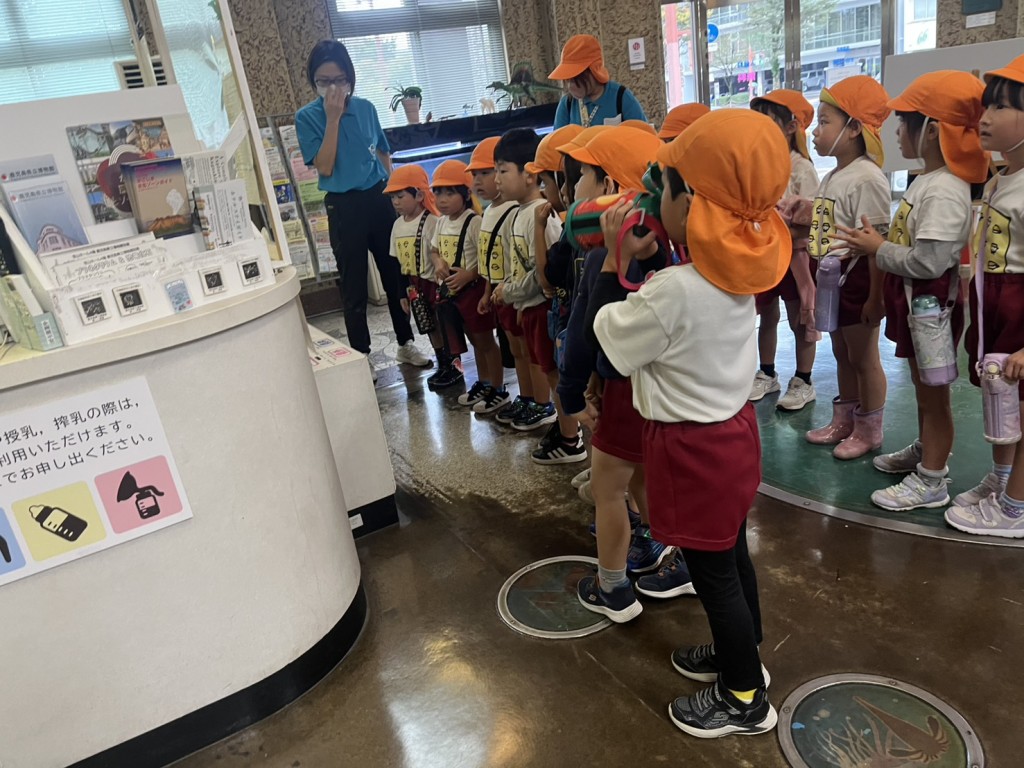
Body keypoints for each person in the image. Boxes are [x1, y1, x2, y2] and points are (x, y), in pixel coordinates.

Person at [588, 110, 789, 738]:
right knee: (732, 556)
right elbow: (684, 292)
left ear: (692, 205)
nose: (655, 198)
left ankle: (744, 697)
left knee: (713, 575)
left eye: (666, 188)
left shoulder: (672, 291)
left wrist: (612, 261)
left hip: (691, 450)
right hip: (734, 437)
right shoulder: (736, 273)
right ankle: (743, 653)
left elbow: (609, 341)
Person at [835, 71, 987, 512]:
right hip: (916, 306)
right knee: (924, 388)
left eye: (904, 122)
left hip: (931, 310)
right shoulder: (927, 180)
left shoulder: (945, 190)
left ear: (933, 130)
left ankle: (932, 480)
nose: (897, 131)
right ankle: (927, 450)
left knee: (933, 395)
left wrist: (877, 249)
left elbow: (929, 262)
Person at [559, 126, 683, 614]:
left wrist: (571, 394)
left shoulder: (604, 259)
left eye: (581, 176)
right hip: (659, 392)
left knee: (607, 489)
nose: (573, 188)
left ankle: (612, 588)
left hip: (622, 394)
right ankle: (679, 556)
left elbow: (584, 334)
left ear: (610, 189)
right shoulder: (667, 249)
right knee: (643, 478)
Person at [295, 40, 429, 371]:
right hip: (343, 205)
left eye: (339, 79)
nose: (333, 88)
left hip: (378, 197)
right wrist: (333, 119)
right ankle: (362, 355)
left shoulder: (366, 108)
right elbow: (325, 166)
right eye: (324, 81)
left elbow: (383, 152)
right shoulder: (307, 117)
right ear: (314, 82)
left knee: (395, 274)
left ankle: (405, 343)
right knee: (353, 284)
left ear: (350, 78)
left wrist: (395, 194)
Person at [945, 54, 1024, 538]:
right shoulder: (1003, 177)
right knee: (1002, 396)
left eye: (1000, 107)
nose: (985, 117)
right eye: (986, 106)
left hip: (1019, 306)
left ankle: (1016, 508)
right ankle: (1002, 477)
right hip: (995, 300)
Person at [804, 76, 892, 459]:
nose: (815, 131)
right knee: (841, 351)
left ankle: (869, 429)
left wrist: (875, 297)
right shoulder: (833, 175)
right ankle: (845, 419)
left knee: (863, 356)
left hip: (855, 276)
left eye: (825, 122)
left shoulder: (868, 178)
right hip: (830, 276)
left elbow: (876, 244)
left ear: (854, 128)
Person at [493, 129, 585, 464]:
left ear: (529, 175)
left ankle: (571, 438)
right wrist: (519, 301)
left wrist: (511, 292)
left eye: (503, 170)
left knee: (557, 375)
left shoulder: (544, 217)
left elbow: (543, 275)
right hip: (532, 308)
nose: (496, 179)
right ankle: (565, 429)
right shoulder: (519, 214)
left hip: (548, 308)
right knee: (548, 371)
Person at [748, 90, 821, 411]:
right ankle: (767, 373)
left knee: (799, 319)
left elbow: (813, 220)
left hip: (796, 258)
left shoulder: (802, 168)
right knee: (766, 314)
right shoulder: (758, 164)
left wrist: (780, 227)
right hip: (766, 254)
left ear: (791, 126)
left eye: (767, 120)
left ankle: (803, 380)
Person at [383, 164, 463, 375]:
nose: (395, 202)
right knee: (428, 324)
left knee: (444, 323)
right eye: (392, 197)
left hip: (434, 283)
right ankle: (442, 362)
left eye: (400, 196)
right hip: (414, 285)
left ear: (419, 195)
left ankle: (454, 364)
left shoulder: (433, 222)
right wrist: (402, 293)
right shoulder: (397, 226)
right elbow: (397, 262)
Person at [429, 160, 494, 394]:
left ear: (466, 194)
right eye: (438, 193)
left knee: (484, 341)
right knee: (473, 339)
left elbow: (487, 257)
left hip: (473, 291)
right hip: (454, 294)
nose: (442, 200)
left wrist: (469, 275)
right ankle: (484, 382)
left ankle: (494, 386)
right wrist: (438, 263)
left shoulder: (474, 221)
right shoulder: (441, 222)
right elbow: (434, 250)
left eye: (449, 193)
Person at [468, 136, 516, 414]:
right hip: (497, 293)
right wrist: (486, 291)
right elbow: (488, 260)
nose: (478, 181)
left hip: (514, 293)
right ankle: (505, 391)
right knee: (511, 347)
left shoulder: (513, 209)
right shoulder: (488, 212)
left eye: (485, 173)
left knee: (525, 352)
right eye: (474, 175)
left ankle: (534, 400)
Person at [550, 34, 647, 129]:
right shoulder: (568, 103)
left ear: (593, 71)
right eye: (567, 79)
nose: (570, 86)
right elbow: (558, 139)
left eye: (575, 79)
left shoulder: (621, 97)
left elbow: (645, 135)